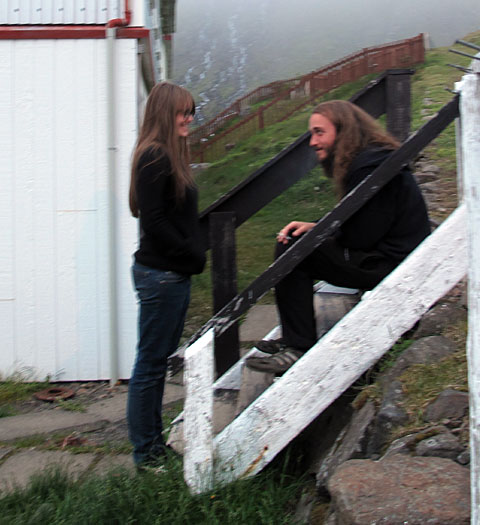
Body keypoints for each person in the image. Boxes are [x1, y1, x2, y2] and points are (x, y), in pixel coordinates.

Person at [245, 100, 430, 375]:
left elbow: (359, 238)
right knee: (297, 242)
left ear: (344, 131)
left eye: (319, 132)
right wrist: (317, 228)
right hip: (395, 257)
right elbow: (362, 221)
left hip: (392, 264)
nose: (313, 142)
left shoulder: (368, 167)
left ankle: (297, 347)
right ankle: (294, 338)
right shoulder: (372, 159)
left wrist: (322, 233)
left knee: (292, 250)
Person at [127, 82, 205, 466]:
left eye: (191, 112)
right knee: (150, 366)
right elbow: (154, 221)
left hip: (167, 275)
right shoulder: (155, 155)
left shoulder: (164, 154)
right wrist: (191, 252)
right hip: (161, 276)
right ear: (164, 113)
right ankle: (146, 454)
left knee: (155, 364)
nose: (188, 118)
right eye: (182, 112)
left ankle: (154, 447)